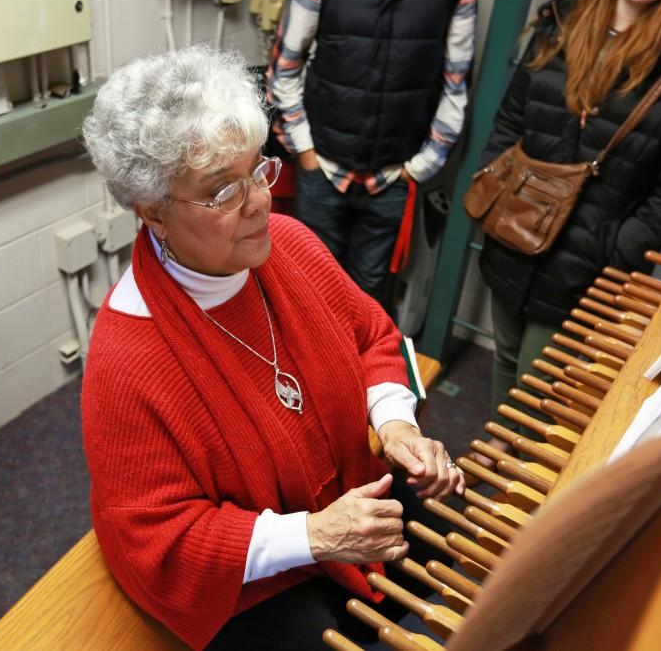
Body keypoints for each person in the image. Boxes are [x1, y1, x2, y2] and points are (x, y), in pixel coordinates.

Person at [81, 45, 465, 651]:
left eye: (259, 169)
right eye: (222, 191)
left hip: (341, 489)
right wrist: (313, 536)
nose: (259, 200)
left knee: (459, 529)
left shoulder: (289, 242)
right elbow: (161, 535)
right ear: (152, 211)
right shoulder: (127, 359)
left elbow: (370, 337)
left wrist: (395, 425)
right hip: (247, 572)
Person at [472, 0, 661, 463]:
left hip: (587, 266)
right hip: (515, 230)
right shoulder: (562, 18)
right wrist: (496, 181)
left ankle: (518, 484)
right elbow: (511, 117)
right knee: (506, 355)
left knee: (548, 390)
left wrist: (612, 250)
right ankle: (496, 445)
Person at [267, 0, 477, 302]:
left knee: (368, 298)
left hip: (393, 176)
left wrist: (422, 166)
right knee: (309, 289)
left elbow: (456, 85)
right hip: (323, 168)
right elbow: (284, 68)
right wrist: (306, 151)